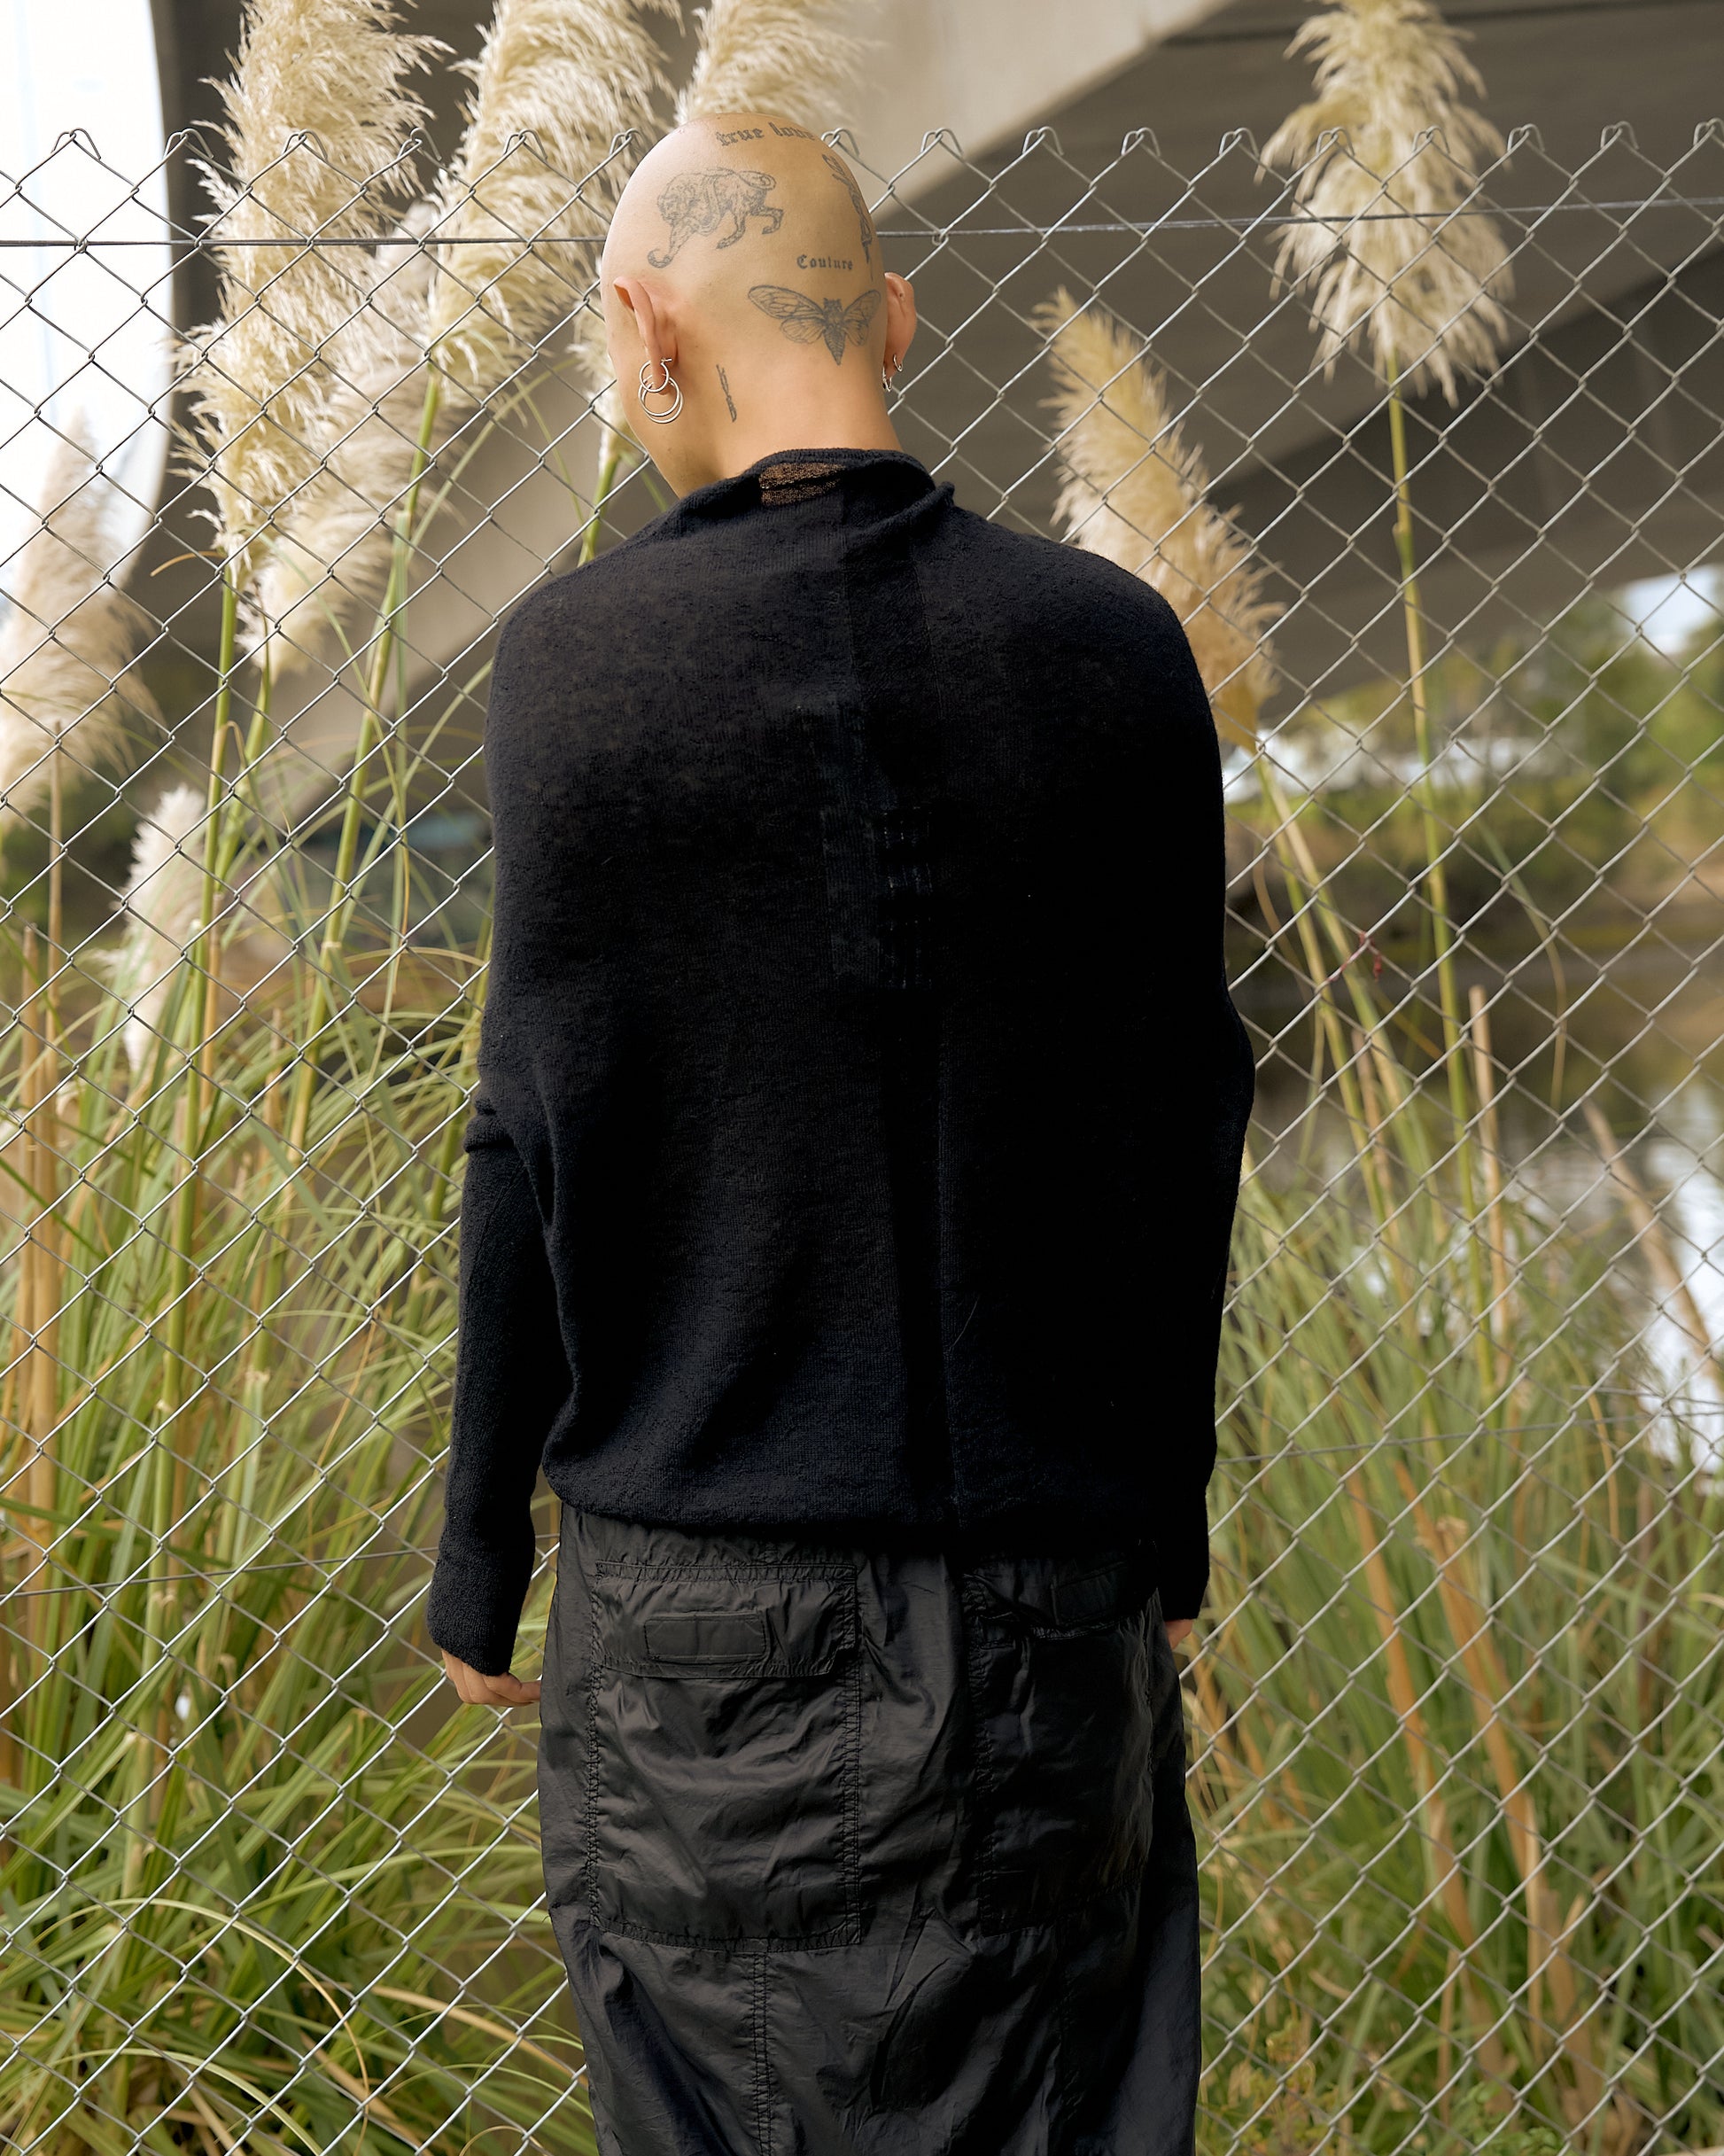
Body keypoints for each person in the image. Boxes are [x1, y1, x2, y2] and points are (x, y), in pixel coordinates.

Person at [427, 111, 1255, 2156]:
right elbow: (1189, 1108)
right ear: (891, 316)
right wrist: (1162, 1523)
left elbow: (526, 1127)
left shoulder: (575, 666)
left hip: (698, 1609)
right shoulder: (1113, 649)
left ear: (643, 328)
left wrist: (474, 1555)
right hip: (1045, 1594)